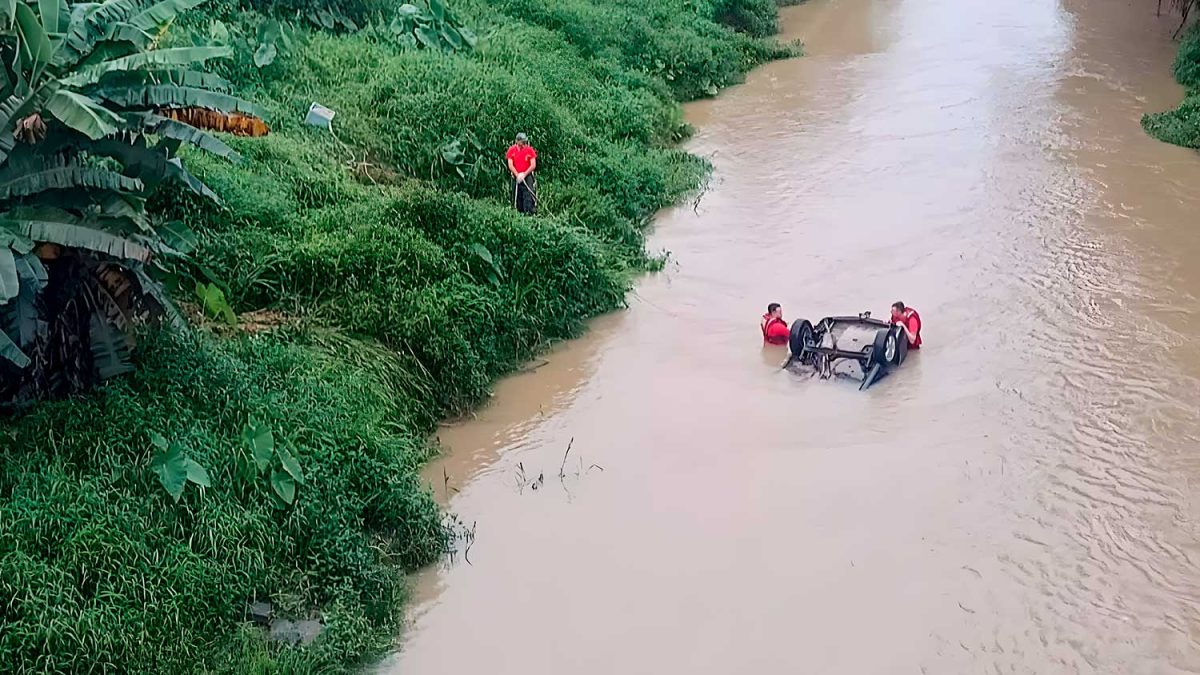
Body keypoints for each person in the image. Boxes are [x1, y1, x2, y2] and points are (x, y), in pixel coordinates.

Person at [506, 132, 538, 215]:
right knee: (517, 196)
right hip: (516, 177)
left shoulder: (529, 150)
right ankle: (517, 213)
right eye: (522, 142)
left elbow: (533, 164)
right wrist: (517, 175)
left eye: (525, 142)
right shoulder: (511, 150)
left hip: (527, 177)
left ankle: (529, 213)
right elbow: (510, 164)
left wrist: (524, 174)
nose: (524, 144)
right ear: (517, 141)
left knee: (528, 195)